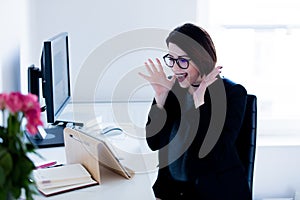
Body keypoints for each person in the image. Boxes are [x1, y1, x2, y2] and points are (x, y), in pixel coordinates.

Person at [138, 23, 251, 200]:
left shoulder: (232, 94)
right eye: (171, 59)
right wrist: (161, 99)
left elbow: (214, 152)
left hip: (214, 191)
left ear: (201, 59)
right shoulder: (171, 88)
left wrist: (200, 104)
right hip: (172, 190)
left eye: (182, 61)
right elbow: (154, 143)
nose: (175, 68)